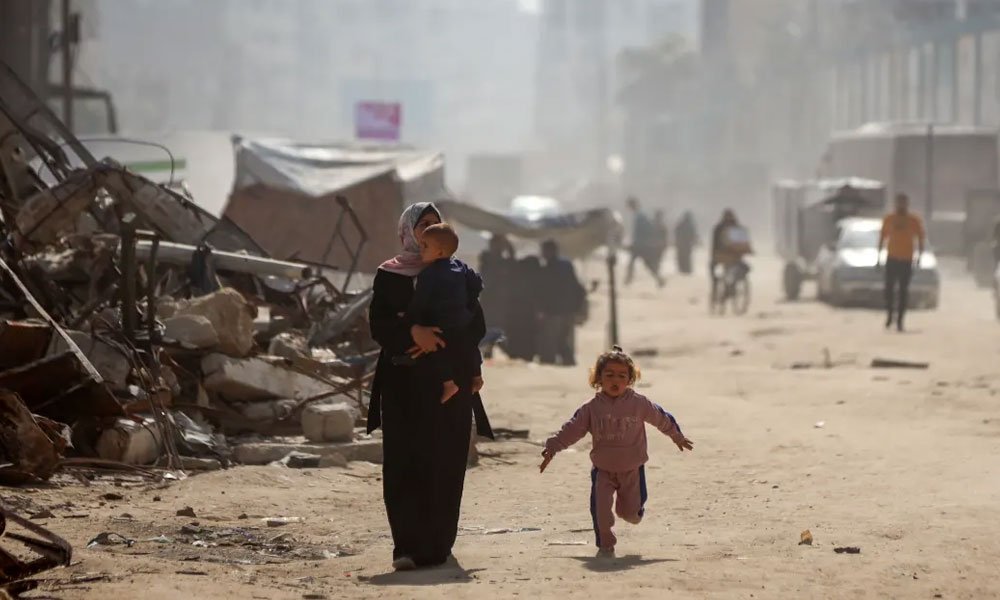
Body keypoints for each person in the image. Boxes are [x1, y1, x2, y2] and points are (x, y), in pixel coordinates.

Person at [367, 202, 493, 571]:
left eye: (433, 226)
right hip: (403, 382)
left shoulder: (457, 274)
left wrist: (448, 344)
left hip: (448, 385)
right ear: (408, 231)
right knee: (405, 462)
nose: (426, 232)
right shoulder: (390, 275)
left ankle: (437, 545)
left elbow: (477, 325)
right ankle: (405, 546)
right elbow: (379, 325)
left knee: (446, 462)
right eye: (421, 225)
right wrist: (412, 332)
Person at [539, 346, 694, 557]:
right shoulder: (591, 408)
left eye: (622, 376)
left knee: (629, 514)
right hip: (602, 470)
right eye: (609, 375)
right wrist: (553, 447)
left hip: (632, 469)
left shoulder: (639, 403)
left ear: (630, 379)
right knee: (601, 511)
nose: (615, 380)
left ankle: (632, 512)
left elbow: (661, 418)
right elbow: (572, 429)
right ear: (598, 378)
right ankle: (605, 545)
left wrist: (677, 436)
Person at [396, 222, 484, 404]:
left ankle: (449, 384)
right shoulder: (461, 266)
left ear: (440, 252)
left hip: (442, 322)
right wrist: (468, 305)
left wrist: (410, 320)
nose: (421, 250)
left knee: (437, 350)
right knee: (469, 348)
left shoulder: (429, 274)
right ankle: (477, 377)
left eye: (425, 246)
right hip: (463, 320)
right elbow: (477, 283)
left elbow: (420, 301)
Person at [876, 193, 925, 332]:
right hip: (892, 258)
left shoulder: (914, 220)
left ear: (907, 204)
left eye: (903, 202)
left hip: (906, 259)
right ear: (895, 204)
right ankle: (890, 314)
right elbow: (882, 237)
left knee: (903, 291)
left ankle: (900, 321)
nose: (901, 205)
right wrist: (878, 256)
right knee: (889, 290)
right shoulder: (889, 219)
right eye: (898, 202)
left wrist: (919, 256)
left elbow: (920, 239)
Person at [537, 239, 586, 366]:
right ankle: (567, 359)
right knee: (563, 337)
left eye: (544, 251)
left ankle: (562, 360)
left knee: (556, 339)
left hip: (556, 311)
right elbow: (577, 287)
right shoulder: (565, 265)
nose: (543, 253)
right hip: (567, 309)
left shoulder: (550, 268)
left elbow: (546, 291)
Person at [478, 233, 516, 359]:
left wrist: (508, 245)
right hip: (489, 298)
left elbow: (512, 261)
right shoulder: (487, 258)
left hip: (500, 299)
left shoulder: (503, 261)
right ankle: (489, 351)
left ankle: (502, 349)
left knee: (499, 325)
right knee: (488, 325)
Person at [504, 255, 543, 361]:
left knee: (518, 337)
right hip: (526, 314)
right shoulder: (536, 278)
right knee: (527, 337)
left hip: (518, 313)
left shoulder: (517, 277)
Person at [709, 209, 751, 304]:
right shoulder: (736, 228)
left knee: (717, 273)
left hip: (725, 257)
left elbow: (714, 245)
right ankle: (722, 289)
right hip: (728, 257)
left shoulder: (720, 228)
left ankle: (721, 289)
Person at [625, 197, 665, 288]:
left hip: (640, 245)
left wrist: (637, 242)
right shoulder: (639, 215)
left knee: (642, 263)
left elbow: (643, 231)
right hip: (640, 244)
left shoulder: (640, 216)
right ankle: (659, 279)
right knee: (640, 263)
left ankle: (659, 279)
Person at [674, 210, 698, 275]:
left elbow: (693, 235)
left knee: (684, 257)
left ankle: (684, 269)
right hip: (685, 244)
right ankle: (685, 269)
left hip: (684, 244)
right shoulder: (688, 225)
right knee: (685, 257)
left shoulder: (683, 224)